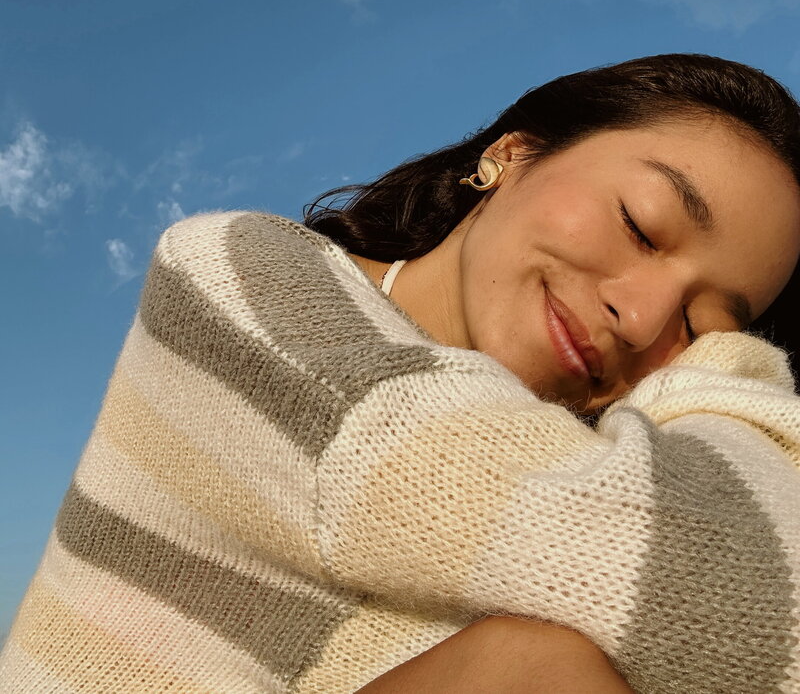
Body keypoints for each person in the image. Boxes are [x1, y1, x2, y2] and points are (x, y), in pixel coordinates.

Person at [1, 53, 799, 694]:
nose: (644, 317)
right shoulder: (246, 282)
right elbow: (754, 600)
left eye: (700, 326)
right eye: (642, 224)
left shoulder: (584, 466)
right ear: (511, 155)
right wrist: (736, 373)